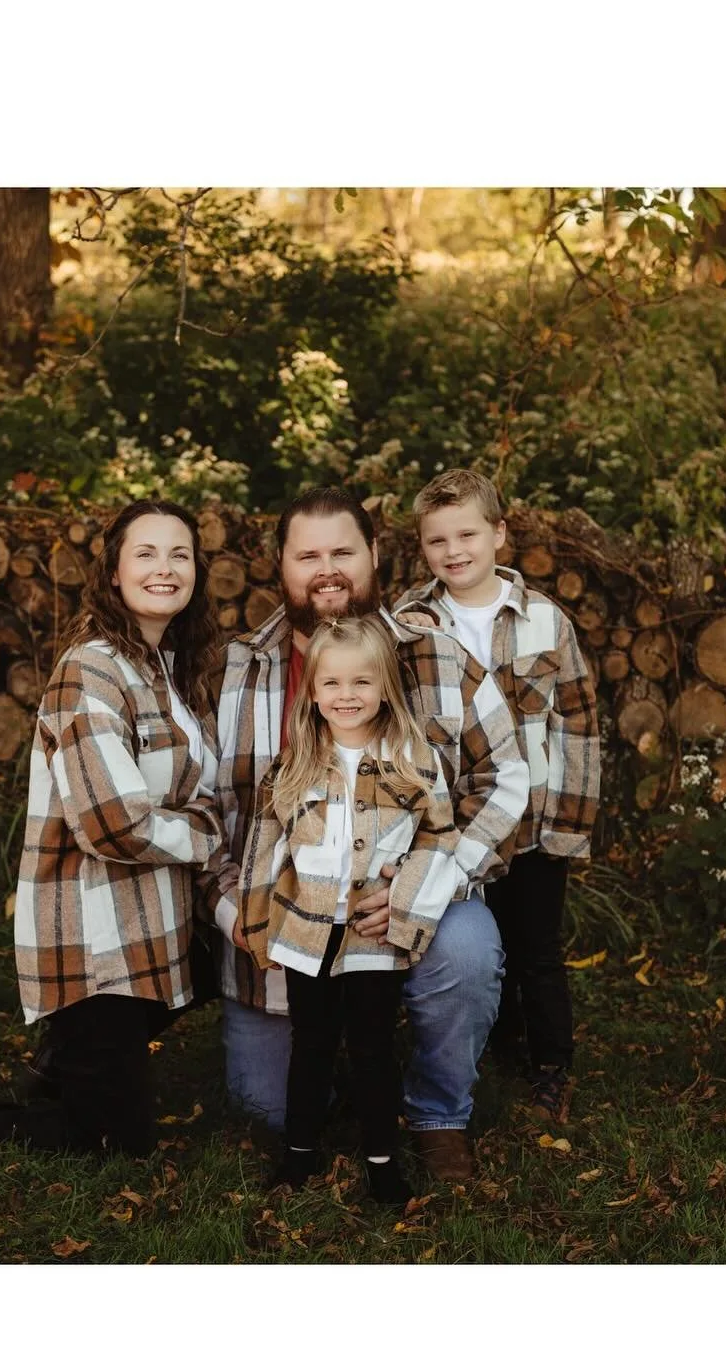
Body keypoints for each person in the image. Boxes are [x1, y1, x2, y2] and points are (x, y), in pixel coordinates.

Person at [0, 500, 225, 1157]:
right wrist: (211, 830)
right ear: (114, 573)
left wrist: (201, 816)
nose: (165, 568)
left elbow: (196, 793)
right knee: (113, 1143)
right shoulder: (90, 672)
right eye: (145, 553)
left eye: (180, 554)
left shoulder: (164, 669)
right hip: (95, 940)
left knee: (230, 946)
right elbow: (114, 826)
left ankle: (67, 1061)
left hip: (154, 921)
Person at [203, 485, 529, 1185]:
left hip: (412, 893)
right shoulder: (236, 668)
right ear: (281, 565)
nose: (328, 569)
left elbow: (505, 779)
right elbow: (212, 812)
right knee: (263, 1106)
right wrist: (238, 908)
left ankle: (439, 1115)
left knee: (469, 952)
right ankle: (343, 1075)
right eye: (308, 555)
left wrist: (426, 887)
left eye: (343, 551)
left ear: (375, 555)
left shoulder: (434, 652)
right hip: (289, 916)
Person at [394, 470, 601, 1112]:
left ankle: (550, 1067)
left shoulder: (545, 620)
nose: (454, 551)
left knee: (535, 946)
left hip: (534, 819)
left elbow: (577, 724)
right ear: (423, 547)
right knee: (478, 937)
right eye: (437, 540)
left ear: (500, 534)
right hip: (456, 821)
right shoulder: (410, 623)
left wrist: (568, 825)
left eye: (468, 534)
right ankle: (488, 1044)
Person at [239, 616, 461, 1206]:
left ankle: (383, 1163)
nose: (346, 696)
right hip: (308, 929)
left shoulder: (412, 762)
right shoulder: (294, 767)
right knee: (310, 1042)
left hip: (373, 933)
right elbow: (264, 852)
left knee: (372, 1047)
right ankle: (299, 1157)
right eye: (332, 684)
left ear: (386, 687)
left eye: (361, 683)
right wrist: (259, 925)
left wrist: (407, 903)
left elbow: (439, 839)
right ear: (312, 693)